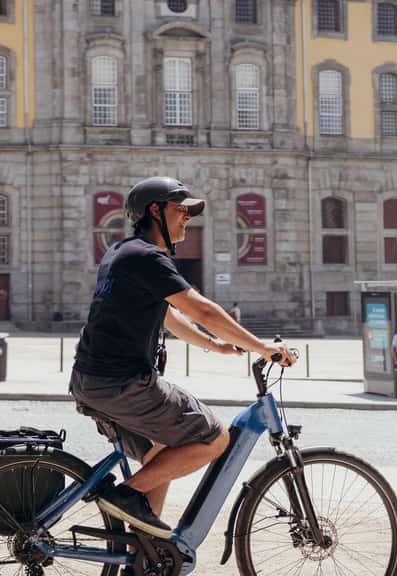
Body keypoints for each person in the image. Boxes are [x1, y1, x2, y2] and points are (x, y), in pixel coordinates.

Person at [69, 176, 294, 539]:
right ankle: (124, 495)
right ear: (154, 211)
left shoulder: (123, 252)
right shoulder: (148, 257)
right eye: (181, 209)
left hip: (91, 381)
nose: (188, 217)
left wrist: (216, 346)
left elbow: (171, 317)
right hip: (122, 384)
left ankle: (144, 552)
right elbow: (201, 310)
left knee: (164, 449)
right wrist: (262, 347)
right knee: (215, 438)